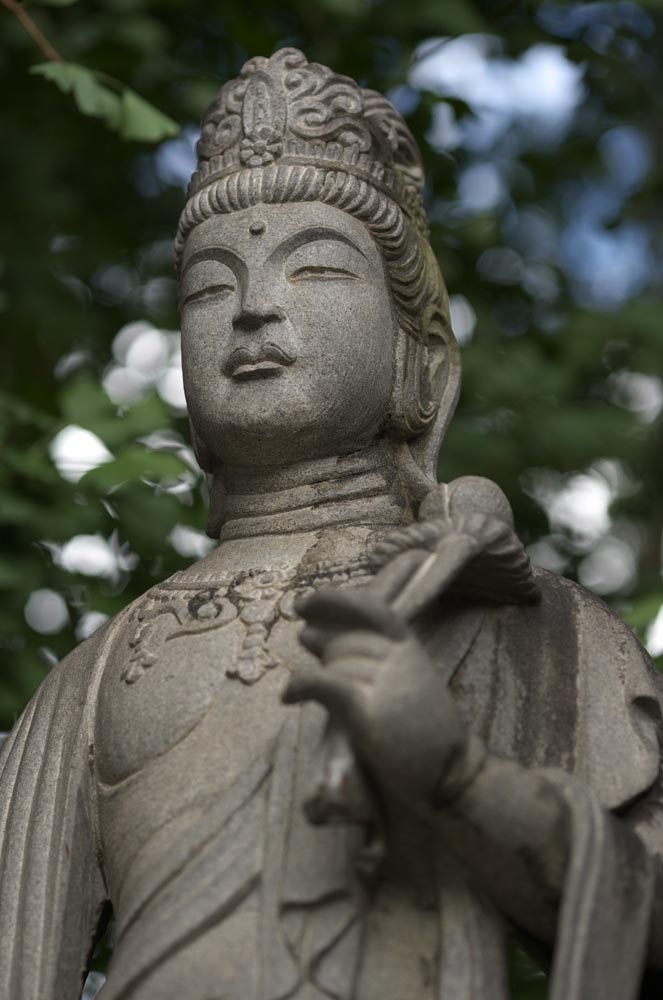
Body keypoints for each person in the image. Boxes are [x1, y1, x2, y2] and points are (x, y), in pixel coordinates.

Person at [1, 48, 661, 1000]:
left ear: (419, 359)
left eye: (313, 270)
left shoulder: (525, 625)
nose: (255, 309)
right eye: (209, 286)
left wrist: (459, 780)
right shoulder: (99, 672)